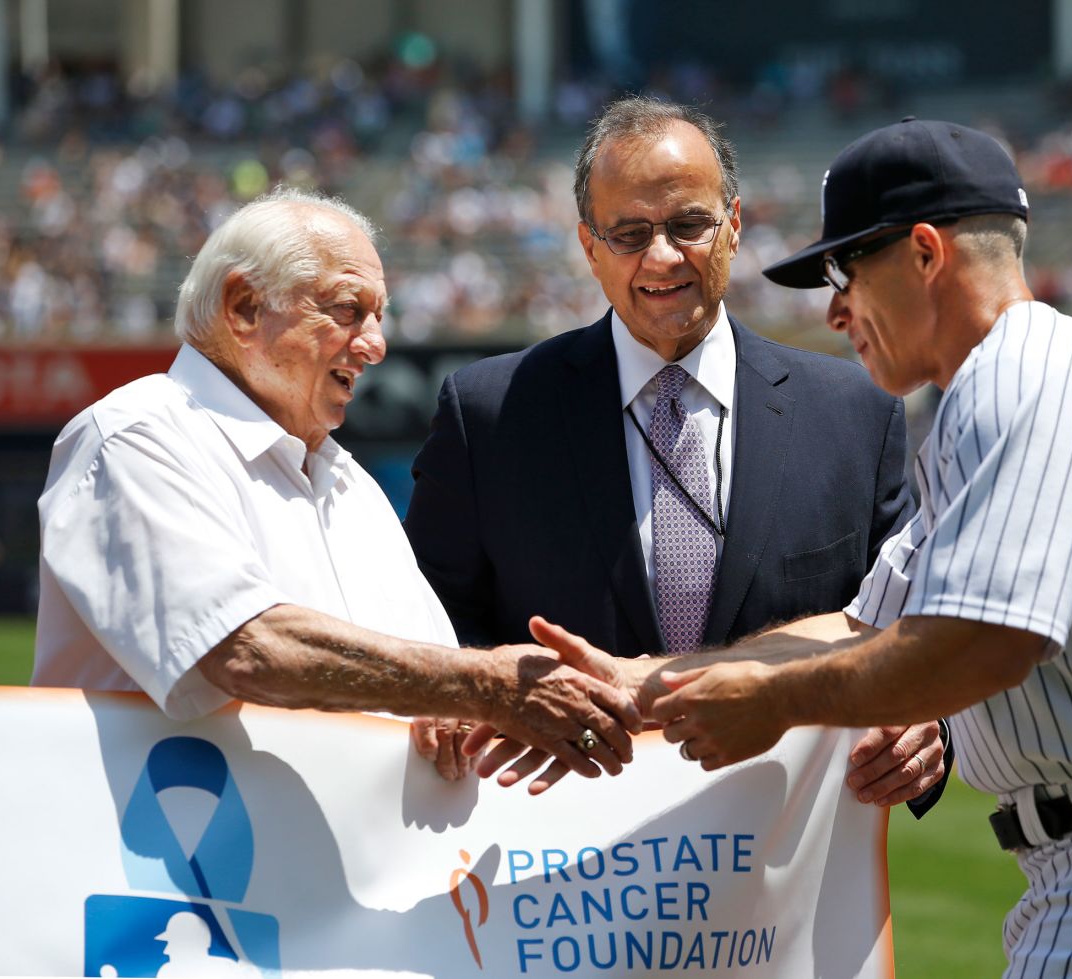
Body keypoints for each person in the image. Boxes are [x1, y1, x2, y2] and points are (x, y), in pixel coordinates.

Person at [617, 118, 1072, 974]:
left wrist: (777, 701)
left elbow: (983, 643)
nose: (834, 308)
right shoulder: (997, 394)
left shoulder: (1018, 375)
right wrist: (633, 680)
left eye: (846, 269)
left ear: (927, 254)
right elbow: (864, 625)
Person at [403, 96, 948, 809]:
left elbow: (912, 627)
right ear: (589, 247)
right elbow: (428, 624)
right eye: (628, 233)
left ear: (734, 225)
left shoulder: (854, 411)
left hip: (782, 873)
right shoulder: (489, 413)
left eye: (688, 224)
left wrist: (930, 724)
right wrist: (467, 690)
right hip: (556, 872)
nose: (662, 256)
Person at [32, 187, 639, 779]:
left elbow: (421, 670)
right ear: (244, 308)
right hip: (166, 875)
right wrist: (481, 685)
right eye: (348, 311)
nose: (375, 345)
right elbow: (242, 649)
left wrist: (455, 708)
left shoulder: (350, 485)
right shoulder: (136, 436)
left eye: (379, 317)